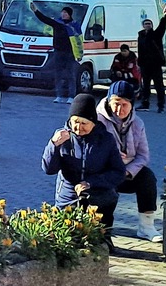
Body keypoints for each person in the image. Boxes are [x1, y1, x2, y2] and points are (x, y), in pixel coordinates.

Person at [41, 94, 124, 227]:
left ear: (93, 122)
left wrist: (91, 183)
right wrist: (53, 145)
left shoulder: (106, 139)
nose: (79, 127)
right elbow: (48, 169)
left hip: (97, 195)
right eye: (75, 122)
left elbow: (118, 172)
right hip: (68, 197)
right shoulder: (62, 137)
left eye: (84, 123)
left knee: (98, 238)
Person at [98, 79, 159, 240]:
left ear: (132, 104)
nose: (120, 109)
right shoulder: (97, 121)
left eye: (125, 104)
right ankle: (104, 230)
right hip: (104, 170)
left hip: (126, 171)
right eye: (116, 103)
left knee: (148, 178)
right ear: (108, 101)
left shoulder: (138, 123)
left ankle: (146, 227)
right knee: (108, 188)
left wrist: (127, 171)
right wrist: (114, 160)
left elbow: (143, 155)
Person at [32, 3, 82, 103]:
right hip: (58, 52)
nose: (63, 14)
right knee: (58, 74)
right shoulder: (57, 23)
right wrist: (35, 11)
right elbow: (45, 19)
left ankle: (71, 96)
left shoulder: (75, 25)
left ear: (70, 15)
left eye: (65, 13)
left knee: (70, 75)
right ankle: (59, 95)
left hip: (70, 53)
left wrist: (79, 54)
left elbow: (79, 40)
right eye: (62, 12)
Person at [135, 4, 166, 112]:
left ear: (151, 25)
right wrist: (139, 64)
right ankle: (145, 104)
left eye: (149, 24)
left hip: (155, 64)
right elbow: (140, 50)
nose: (148, 25)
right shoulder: (141, 36)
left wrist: (164, 16)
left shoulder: (156, 34)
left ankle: (161, 106)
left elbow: (162, 26)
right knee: (146, 86)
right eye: (146, 24)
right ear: (143, 25)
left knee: (159, 86)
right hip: (145, 65)